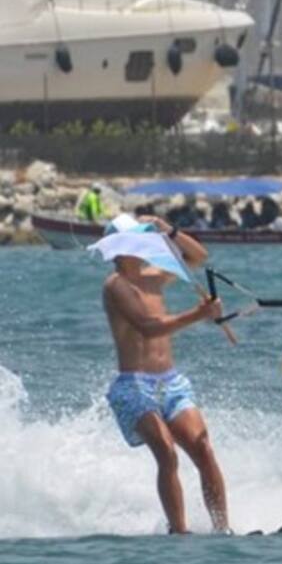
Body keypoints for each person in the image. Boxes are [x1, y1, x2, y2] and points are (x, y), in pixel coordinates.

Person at [98, 214, 229, 533]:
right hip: (133, 387)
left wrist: (165, 227)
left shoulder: (155, 276)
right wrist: (199, 314)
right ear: (119, 247)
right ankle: (179, 531)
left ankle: (223, 530)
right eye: (137, 238)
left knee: (203, 448)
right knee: (167, 454)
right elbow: (148, 327)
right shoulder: (116, 286)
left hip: (171, 383)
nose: (144, 243)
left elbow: (198, 256)